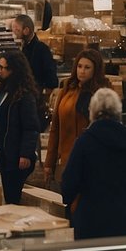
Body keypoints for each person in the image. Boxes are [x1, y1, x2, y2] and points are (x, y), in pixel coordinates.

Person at [60, 88, 126, 239]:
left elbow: (69, 182)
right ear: (118, 111)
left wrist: (68, 200)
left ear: (92, 111)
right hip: (123, 216)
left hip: (90, 216)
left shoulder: (85, 141)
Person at [45, 49, 111, 183]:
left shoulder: (102, 93)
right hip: (65, 158)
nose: (82, 71)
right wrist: (49, 163)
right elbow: (55, 128)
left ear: (95, 70)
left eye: (87, 67)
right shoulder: (67, 88)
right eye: (79, 66)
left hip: (90, 160)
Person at [0, 50, 41, 206]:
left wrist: (25, 153)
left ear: (14, 70)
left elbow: (31, 127)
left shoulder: (24, 95)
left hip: (17, 154)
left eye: (2, 67)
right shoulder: (3, 90)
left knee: (13, 196)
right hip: (4, 151)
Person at [11, 14, 59, 106]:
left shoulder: (42, 49)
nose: (14, 32)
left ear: (26, 30)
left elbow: (50, 76)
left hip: (36, 98)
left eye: (17, 29)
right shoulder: (23, 47)